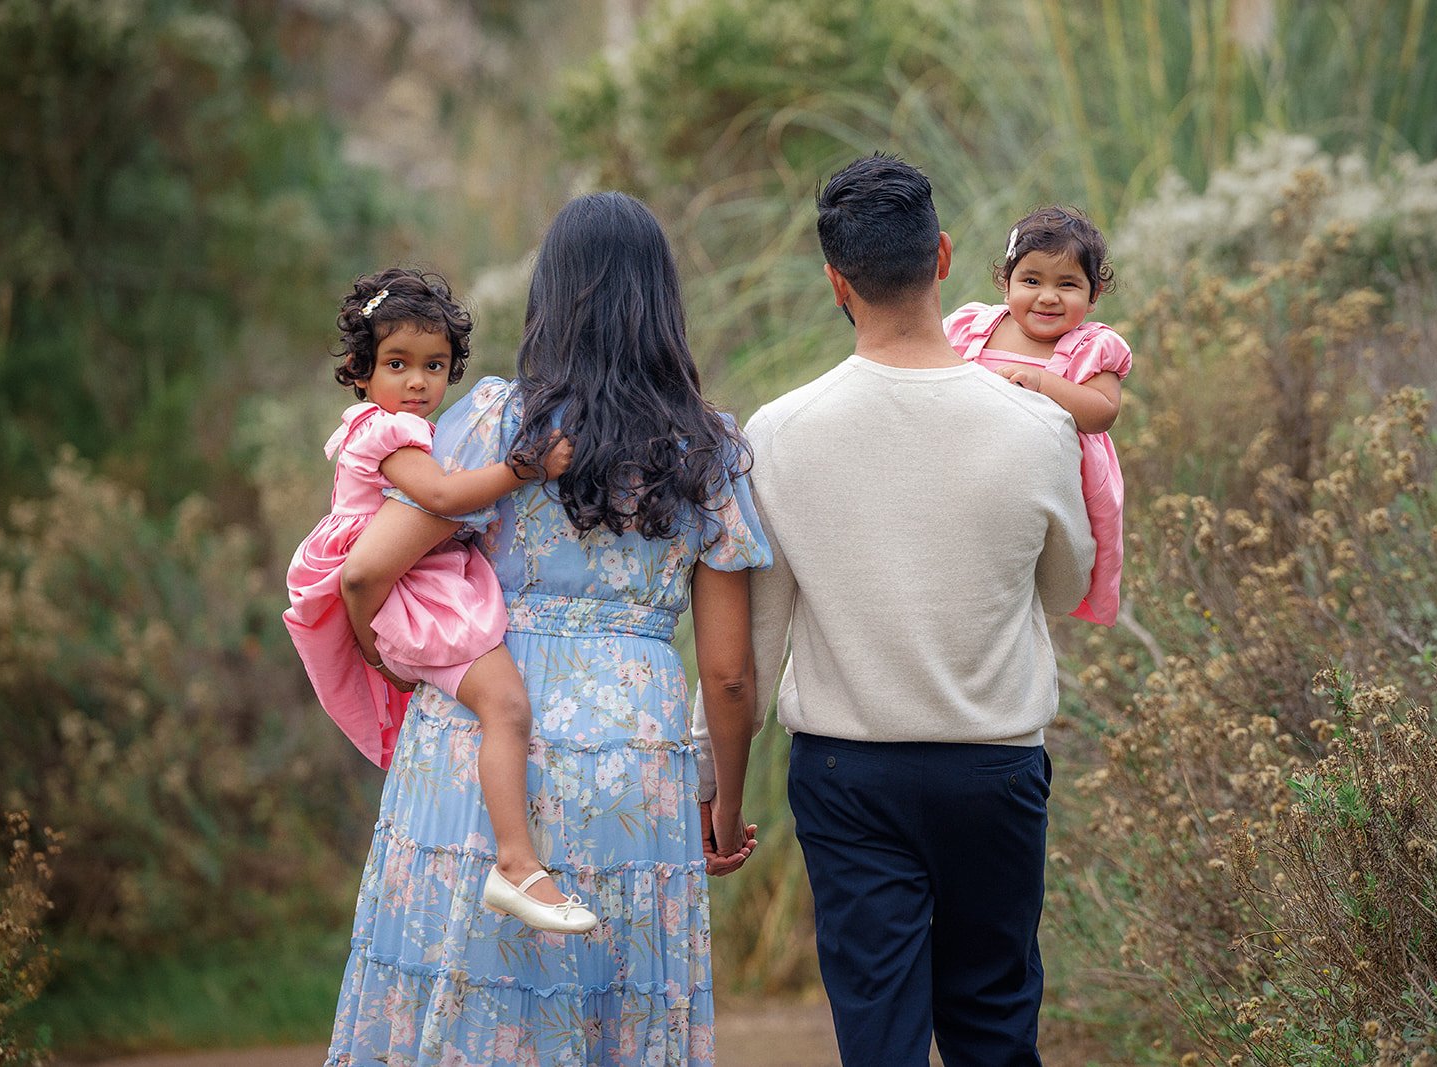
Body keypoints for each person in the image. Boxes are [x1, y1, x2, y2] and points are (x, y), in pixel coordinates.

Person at [326, 193, 768, 1065]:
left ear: (550, 297)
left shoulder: (499, 422)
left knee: (466, 1002)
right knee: (616, 1003)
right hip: (633, 759)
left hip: (481, 732)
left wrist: (396, 662)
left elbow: (368, 570)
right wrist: (721, 805)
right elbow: (728, 676)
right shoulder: (711, 448)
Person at [694, 154, 1094, 1066]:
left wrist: (717, 791)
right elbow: (1066, 588)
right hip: (994, 767)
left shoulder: (781, 432)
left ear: (837, 282)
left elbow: (747, 654)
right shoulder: (1038, 423)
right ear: (945, 257)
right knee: (996, 1024)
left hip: (848, 776)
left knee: (879, 1037)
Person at [284, 267, 592, 932]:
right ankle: (515, 862)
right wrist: (524, 468)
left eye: (435, 365)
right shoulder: (387, 433)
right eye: (397, 364)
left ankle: (502, 857)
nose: (419, 382)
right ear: (362, 372)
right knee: (505, 705)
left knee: (488, 713)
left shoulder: (378, 426)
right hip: (410, 593)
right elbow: (447, 500)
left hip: (411, 585)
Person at [944, 206, 1131, 626]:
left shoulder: (1091, 347)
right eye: (1031, 281)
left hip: (1050, 485)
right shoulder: (972, 328)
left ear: (1093, 293)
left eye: (1067, 284)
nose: (1048, 296)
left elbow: (1102, 413)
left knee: (1034, 572)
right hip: (967, 468)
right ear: (1005, 283)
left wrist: (1045, 384)